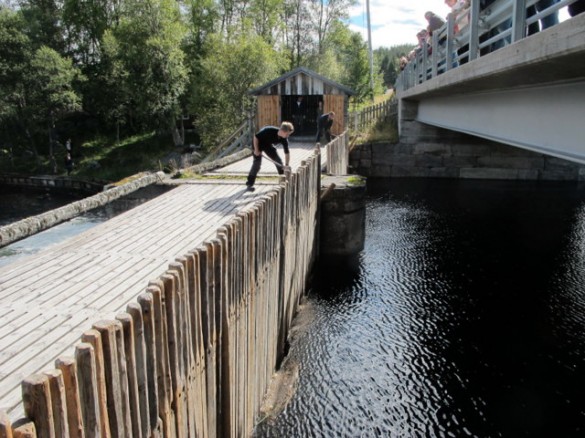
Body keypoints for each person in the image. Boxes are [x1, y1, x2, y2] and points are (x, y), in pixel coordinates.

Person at [245, 122, 294, 191]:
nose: (288, 136)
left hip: (267, 145)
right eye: (287, 134)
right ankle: (249, 184)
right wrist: (256, 150)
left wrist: (286, 165)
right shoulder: (268, 130)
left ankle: (283, 182)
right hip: (257, 143)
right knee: (257, 164)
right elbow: (255, 137)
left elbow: (287, 153)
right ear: (283, 131)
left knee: (278, 161)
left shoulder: (284, 139)